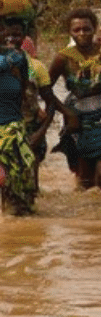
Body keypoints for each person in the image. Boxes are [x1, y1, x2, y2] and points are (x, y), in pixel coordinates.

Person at [49, 9, 101, 190]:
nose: (82, 33)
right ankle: (89, 215)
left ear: (94, 29)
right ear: (70, 32)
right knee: (84, 180)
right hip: (78, 121)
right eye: (77, 30)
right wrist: (66, 112)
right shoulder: (63, 58)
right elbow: (45, 90)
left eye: (86, 29)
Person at [0, 19, 37, 215]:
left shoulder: (18, 57)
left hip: (13, 126)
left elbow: (24, 89)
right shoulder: (12, 58)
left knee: (19, 183)